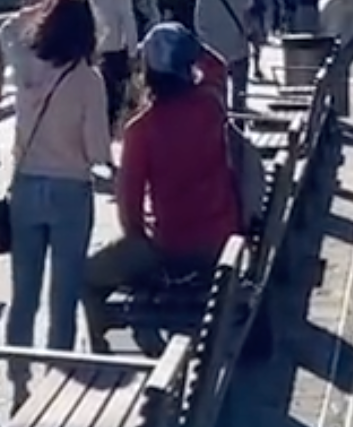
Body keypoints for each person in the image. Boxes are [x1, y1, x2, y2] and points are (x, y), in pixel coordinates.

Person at [83, 25, 240, 351]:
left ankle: (105, 351)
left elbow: (130, 214)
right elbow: (218, 66)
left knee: (87, 277)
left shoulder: (139, 130)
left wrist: (142, 244)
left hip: (172, 250)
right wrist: (194, 45)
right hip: (221, 242)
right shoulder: (211, 104)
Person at [0, 0, 112, 361]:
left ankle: (18, 379)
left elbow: (6, 30)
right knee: (63, 296)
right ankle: (56, 374)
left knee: (23, 294)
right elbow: (97, 150)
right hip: (70, 188)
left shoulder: (27, 63)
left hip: (28, 183)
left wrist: (36, 8)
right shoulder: (88, 79)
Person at [80, 0, 140, 127]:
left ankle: (107, 134)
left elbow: (128, 19)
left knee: (110, 101)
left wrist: (132, 51)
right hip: (88, 52)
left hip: (112, 51)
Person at [192, 0, 258, 114]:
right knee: (239, 96)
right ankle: (238, 130)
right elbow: (250, 23)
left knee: (217, 96)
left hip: (214, 54)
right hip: (239, 50)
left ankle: (219, 129)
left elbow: (199, 27)